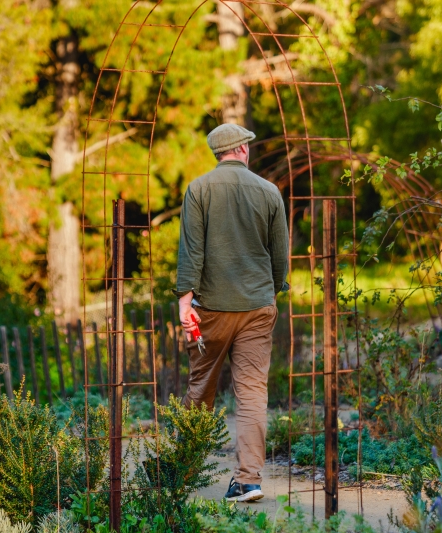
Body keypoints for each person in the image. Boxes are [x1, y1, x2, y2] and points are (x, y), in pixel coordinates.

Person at [174, 123, 289, 502]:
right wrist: (270, 291)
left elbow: (192, 251)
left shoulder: (199, 189)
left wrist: (184, 301)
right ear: (241, 149)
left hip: (211, 309)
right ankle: (248, 481)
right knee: (253, 394)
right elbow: (280, 256)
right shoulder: (269, 191)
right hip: (258, 306)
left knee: (201, 385)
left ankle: (183, 468)